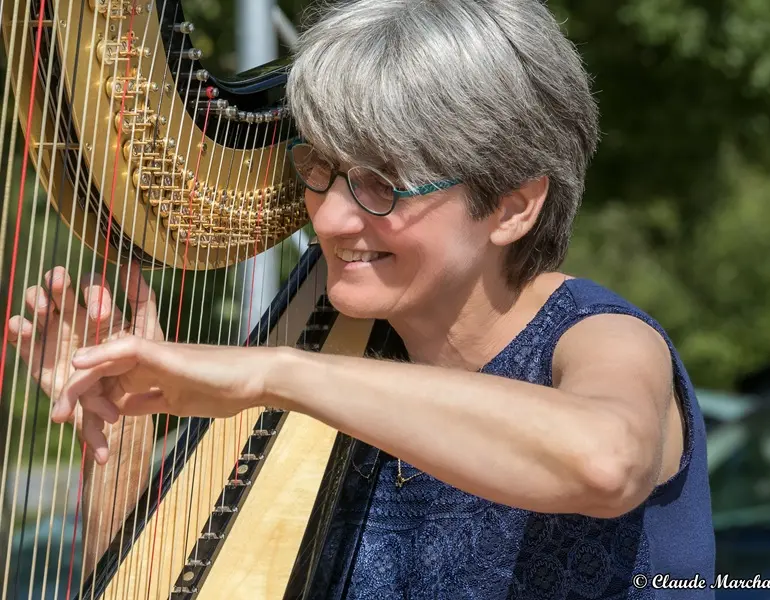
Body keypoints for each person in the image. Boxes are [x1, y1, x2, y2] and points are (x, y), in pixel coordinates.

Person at [8, 0, 716, 597]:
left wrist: (277, 376)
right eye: (321, 170)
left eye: (382, 182)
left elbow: (607, 462)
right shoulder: (336, 365)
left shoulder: (601, 338)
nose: (331, 218)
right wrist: (127, 421)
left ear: (512, 205)